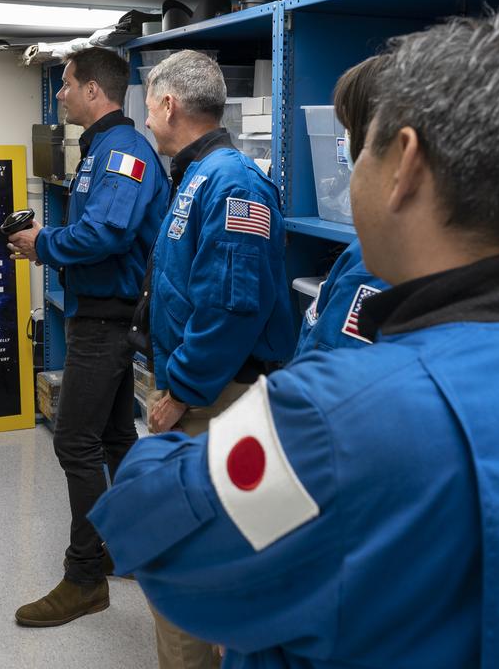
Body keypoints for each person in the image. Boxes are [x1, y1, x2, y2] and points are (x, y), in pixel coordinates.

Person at [90, 5, 499, 667]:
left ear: (405, 166)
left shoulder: (336, 412)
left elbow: (155, 533)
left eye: (360, 147)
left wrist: (187, 441)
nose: (349, 170)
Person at [128, 50, 294, 668]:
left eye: (148, 105)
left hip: (222, 398)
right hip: (212, 392)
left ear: (169, 104)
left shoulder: (232, 181)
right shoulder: (198, 175)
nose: (147, 119)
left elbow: (232, 306)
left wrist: (182, 392)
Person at [5, 48, 167, 626]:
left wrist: (43, 245)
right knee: (116, 437)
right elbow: (98, 225)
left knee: (74, 441)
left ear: (94, 90)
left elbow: (109, 231)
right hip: (102, 312)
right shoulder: (101, 147)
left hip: (107, 317)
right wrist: (49, 237)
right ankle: (125, 548)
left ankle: (85, 576)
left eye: (66, 85)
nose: (60, 95)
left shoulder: (123, 151)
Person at [294, 62, 392, 356]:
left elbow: (331, 376)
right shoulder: (367, 248)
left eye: (348, 128)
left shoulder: (383, 262)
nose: (344, 140)